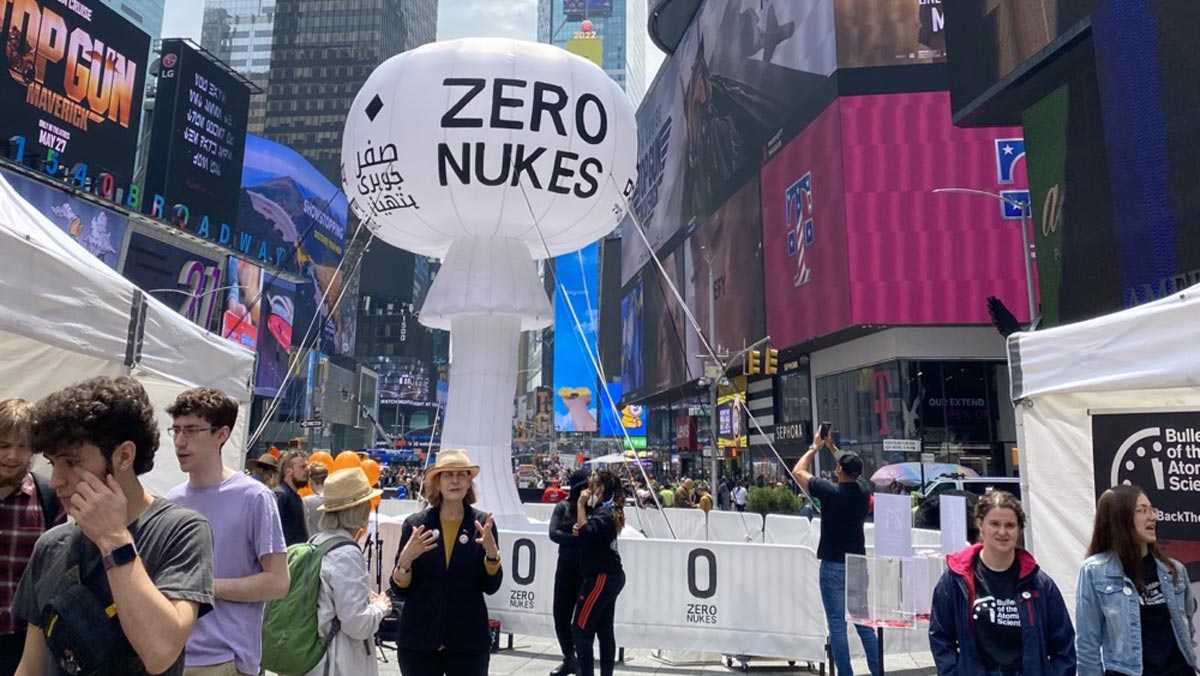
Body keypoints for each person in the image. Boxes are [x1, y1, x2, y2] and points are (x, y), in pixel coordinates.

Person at [12, 377, 214, 676]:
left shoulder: (180, 531)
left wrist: (114, 539)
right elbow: (31, 667)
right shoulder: (52, 545)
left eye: (72, 462)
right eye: (54, 464)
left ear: (123, 456)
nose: (56, 481)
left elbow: (160, 653)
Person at [164, 388, 290, 676]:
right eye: (176, 431)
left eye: (192, 431)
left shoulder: (255, 497)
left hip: (225, 658)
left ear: (221, 434)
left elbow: (278, 582)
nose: (180, 442)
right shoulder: (172, 501)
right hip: (171, 654)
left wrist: (204, 587)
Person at [929, 490, 1075, 676]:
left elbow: (1064, 646)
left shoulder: (1040, 584)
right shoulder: (956, 580)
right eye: (995, 524)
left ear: (1019, 529)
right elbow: (941, 638)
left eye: (1010, 525)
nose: (1002, 532)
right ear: (980, 525)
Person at [390, 450, 501, 675]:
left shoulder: (482, 524)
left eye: (461, 475)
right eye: (447, 475)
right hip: (419, 641)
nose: (455, 480)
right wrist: (405, 562)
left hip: (467, 642)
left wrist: (492, 555)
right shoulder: (416, 524)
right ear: (437, 483)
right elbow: (401, 589)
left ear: (469, 481)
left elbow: (490, 586)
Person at [1075, 485, 1197, 676]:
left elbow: (1188, 625)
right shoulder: (1094, 571)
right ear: (1120, 518)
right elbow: (1087, 643)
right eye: (1142, 510)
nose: (1153, 517)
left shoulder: (1175, 570)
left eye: (1152, 509)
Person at [791, 432, 879, 676]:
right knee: (864, 625)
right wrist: (829, 444)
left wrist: (814, 447)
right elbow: (846, 464)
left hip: (833, 565)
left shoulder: (829, 491)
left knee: (837, 626)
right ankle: (877, 671)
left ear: (839, 470)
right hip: (857, 564)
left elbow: (798, 471)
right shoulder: (863, 492)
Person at [306, 468, 392, 676]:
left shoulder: (316, 542)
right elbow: (357, 625)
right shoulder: (346, 554)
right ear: (360, 508)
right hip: (338, 664)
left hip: (312, 660)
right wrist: (381, 606)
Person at [0, 399, 62, 676]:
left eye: (23, 446)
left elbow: (57, 575)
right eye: (3, 446)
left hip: (24, 644)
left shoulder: (49, 497)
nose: (13, 456)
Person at [572, 469, 626, 676]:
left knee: (580, 629)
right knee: (604, 630)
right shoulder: (607, 511)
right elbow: (591, 533)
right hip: (609, 575)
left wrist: (580, 505)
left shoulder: (604, 512)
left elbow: (588, 534)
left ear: (601, 488)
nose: (588, 489)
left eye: (591, 485)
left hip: (602, 576)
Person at [548, 469, 590, 676]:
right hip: (565, 570)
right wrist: (575, 537)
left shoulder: (592, 508)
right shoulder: (562, 507)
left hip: (586, 570)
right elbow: (553, 533)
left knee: (581, 620)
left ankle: (582, 661)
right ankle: (569, 658)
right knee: (560, 616)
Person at [275, 450, 310, 546]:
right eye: (302, 467)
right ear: (289, 471)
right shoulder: (281, 495)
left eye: (306, 466)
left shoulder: (293, 495)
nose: (307, 470)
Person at [304, 462, 330, 537]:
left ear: (311, 482)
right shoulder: (336, 498)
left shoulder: (306, 501)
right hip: (334, 543)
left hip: (314, 543)